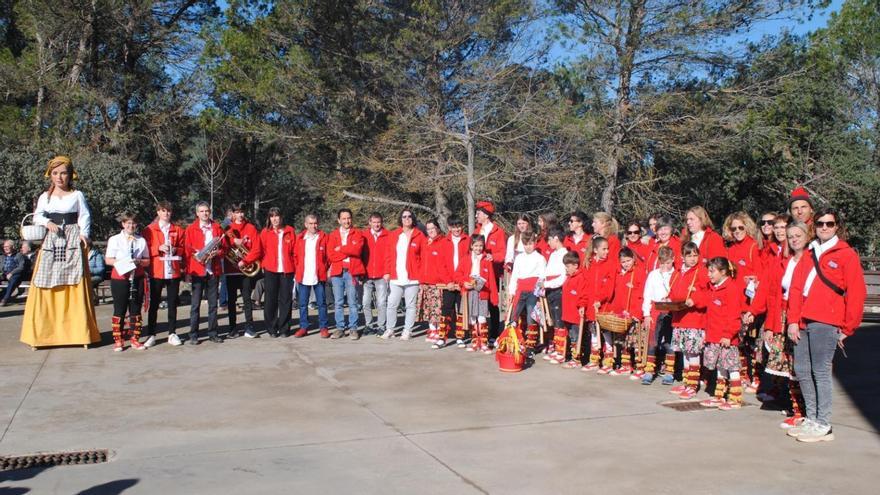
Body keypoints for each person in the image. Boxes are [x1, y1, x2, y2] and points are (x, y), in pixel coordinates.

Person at [785, 208, 866, 442]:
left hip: (827, 321)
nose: (824, 227)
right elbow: (796, 288)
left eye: (829, 224)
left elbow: (856, 292)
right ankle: (811, 418)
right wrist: (792, 320)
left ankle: (824, 423)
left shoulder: (846, 254)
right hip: (802, 320)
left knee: (820, 371)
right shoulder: (809, 253)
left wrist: (848, 328)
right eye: (820, 223)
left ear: (836, 226)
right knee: (802, 370)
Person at [20, 156, 100, 349]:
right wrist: (47, 222)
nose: (59, 177)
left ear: (70, 174)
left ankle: (77, 333)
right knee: (44, 281)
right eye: (55, 173)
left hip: (72, 239)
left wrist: (84, 234)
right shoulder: (45, 197)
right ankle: (44, 335)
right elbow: (37, 215)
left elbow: (85, 216)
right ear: (50, 175)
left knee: (74, 282)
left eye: (63, 173)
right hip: (52, 241)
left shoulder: (77, 195)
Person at [745, 218, 809, 428]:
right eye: (779, 228)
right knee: (784, 364)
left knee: (797, 366)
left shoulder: (806, 258)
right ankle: (795, 408)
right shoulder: (778, 259)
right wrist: (757, 314)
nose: (783, 233)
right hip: (780, 317)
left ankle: (803, 410)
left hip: (799, 317)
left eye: (786, 229)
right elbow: (767, 292)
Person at [690, 258, 746, 410]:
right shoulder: (713, 287)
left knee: (731, 367)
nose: (709, 274)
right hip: (714, 335)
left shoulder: (731, 289)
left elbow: (734, 315)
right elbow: (704, 300)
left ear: (723, 272)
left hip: (726, 337)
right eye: (708, 271)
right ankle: (719, 396)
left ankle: (735, 398)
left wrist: (728, 334)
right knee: (720, 367)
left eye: (712, 271)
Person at [722, 211, 763, 392]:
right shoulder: (729, 249)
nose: (737, 231)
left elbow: (760, 276)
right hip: (734, 304)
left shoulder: (753, 246)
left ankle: (757, 378)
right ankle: (744, 375)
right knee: (739, 343)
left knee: (752, 343)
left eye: (741, 227)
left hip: (749, 304)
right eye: (734, 228)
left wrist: (753, 281)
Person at [242, 207, 297, 338]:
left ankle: (284, 329)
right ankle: (271, 328)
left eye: (277, 216)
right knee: (270, 300)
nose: (275, 219)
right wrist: (246, 260)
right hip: (270, 269)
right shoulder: (265, 232)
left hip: (287, 270)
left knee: (286, 300)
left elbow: (295, 252)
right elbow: (258, 250)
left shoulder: (290, 231)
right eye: (272, 216)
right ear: (269, 218)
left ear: (281, 217)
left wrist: (296, 267)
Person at [666, 242, 709, 397]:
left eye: (695, 255)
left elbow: (708, 294)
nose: (692, 258)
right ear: (682, 257)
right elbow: (673, 291)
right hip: (679, 319)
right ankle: (686, 382)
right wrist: (668, 299)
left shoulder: (702, 272)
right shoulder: (678, 272)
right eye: (689, 255)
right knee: (684, 351)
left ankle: (693, 384)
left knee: (693, 353)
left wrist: (695, 300)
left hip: (694, 320)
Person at [105, 212, 150, 351]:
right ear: (123, 224)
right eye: (128, 223)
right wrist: (122, 262)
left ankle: (135, 339)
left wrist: (139, 262)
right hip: (120, 278)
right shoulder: (114, 239)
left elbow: (147, 261)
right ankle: (118, 340)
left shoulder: (141, 240)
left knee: (135, 309)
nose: (131, 226)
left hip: (137, 277)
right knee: (119, 309)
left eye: (133, 223)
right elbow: (108, 260)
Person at [142, 201, 186, 346]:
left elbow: (183, 248)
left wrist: (175, 250)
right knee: (154, 304)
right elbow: (144, 249)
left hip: (173, 271)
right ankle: (151, 334)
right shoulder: (149, 230)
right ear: (158, 213)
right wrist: (158, 248)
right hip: (157, 271)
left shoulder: (178, 229)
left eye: (168, 211)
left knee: (173, 303)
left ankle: (172, 333)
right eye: (163, 211)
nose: (166, 213)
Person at [184, 201, 226, 345]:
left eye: (207, 211)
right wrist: (188, 271)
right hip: (197, 270)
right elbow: (187, 251)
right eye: (201, 211)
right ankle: (193, 334)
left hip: (213, 271)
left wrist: (217, 252)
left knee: (213, 305)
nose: (204, 213)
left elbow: (224, 248)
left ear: (210, 212)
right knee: (195, 305)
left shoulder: (217, 227)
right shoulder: (190, 229)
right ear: (197, 213)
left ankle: (213, 333)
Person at [382, 208, 424, 340]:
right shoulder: (394, 235)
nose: (407, 219)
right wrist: (387, 272)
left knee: (410, 306)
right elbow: (388, 255)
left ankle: (407, 330)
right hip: (396, 276)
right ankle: (390, 329)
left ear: (413, 219)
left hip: (412, 277)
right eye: (404, 216)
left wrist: (421, 275)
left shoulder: (419, 235)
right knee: (391, 304)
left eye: (409, 216)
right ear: (401, 219)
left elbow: (424, 257)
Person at [604, 247, 646, 376]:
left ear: (633, 259)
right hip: (621, 314)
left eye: (628, 260)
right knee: (623, 341)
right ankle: (626, 365)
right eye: (623, 262)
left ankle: (640, 367)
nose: (626, 264)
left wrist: (636, 313)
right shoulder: (619, 274)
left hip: (634, 314)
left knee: (637, 342)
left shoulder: (639, 272)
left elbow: (641, 294)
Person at [639, 246, 677, 384]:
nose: (665, 266)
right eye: (662, 263)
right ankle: (649, 371)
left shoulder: (676, 274)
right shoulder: (653, 274)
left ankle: (669, 372)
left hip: (670, 310)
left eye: (668, 263)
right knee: (652, 342)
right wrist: (646, 314)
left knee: (669, 342)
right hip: (655, 310)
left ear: (673, 260)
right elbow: (647, 295)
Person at [327, 208, 366, 339]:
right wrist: (348, 252)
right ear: (339, 220)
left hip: (351, 272)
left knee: (352, 302)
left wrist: (341, 249)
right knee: (338, 302)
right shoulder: (333, 235)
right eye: (343, 218)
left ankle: (353, 328)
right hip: (337, 272)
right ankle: (340, 328)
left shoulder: (358, 233)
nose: (346, 221)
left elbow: (357, 251)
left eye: (348, 218)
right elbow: (331, 255)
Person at [454, 234, 497, 353]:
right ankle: (474, 341)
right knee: (472, 317)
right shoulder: (465, 259)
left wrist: (493, 296)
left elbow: (491, 279)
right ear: (471, 246)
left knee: (482, 316)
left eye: (481, 246)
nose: (478, 248)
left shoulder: (487, 260)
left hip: (482, 293)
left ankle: (484, 342)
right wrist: (464, 282)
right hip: (469, 292)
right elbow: (457, 275)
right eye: (476, 245)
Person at [223, 203, 259, 339]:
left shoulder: (251, 228)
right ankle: (232, 328)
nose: (240, 215)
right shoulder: (227, 229)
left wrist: (246, 260)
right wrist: (234, 242)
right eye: (237, 212)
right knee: (231, 301)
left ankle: (249, 327)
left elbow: (257, 249)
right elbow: (223, 247)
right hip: (231, 270)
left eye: (242, 212)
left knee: (247, 300)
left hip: (246, 270)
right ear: (232, 214)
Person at [506, 231, 546, 355]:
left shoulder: (540, 258)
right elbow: (514, 276)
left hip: (533, 290)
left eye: (530, 243)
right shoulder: (519, 258)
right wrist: (511, 291)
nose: (528, 246)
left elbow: (542, 277)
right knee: (514, 314)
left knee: (531, 316)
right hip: (521, 288)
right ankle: (513, 339)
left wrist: (540, 292)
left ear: (534, 243)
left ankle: (530, 346)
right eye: (526, 244)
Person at [417, 219, 454, 348]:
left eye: (433, 228)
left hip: (437, 282)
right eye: (428, 229)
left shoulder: (443, 242)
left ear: (438, 228)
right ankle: (432, 329)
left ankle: (439, 330)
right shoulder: (425, 242)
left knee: (437, 308)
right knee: (428, 308)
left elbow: (444, 262)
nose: (431, 231)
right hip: (425, 280)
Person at [473, 201, 506, 344]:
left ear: (486, 215)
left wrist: (494, 257)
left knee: (493, 302)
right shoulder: (476, 231)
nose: (476, 216)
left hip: (492, 272)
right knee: (477, 300)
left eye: (478, 213)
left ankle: (494, 333)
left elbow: (503, 253)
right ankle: (478, 333)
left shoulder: (498, 231)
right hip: (477, 272)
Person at [584, 236, 617, 372]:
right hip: (592, 305)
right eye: (603, 249)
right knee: (593, 331)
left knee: (606, 332)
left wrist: (601, 299)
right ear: (596, 250)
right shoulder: (589, 264)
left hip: (604, 305)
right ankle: (594, 359)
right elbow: (585, 285)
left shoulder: (610, 264)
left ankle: (608, 361)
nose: (607, 251)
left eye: (607, 249)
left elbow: (609, 286)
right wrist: (583, 303)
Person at [295, 213, 330, 337]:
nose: (313, 226)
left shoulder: (324, 237)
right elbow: (295, 257)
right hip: (303, 276)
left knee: (321, 303)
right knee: (303, 304)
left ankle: (323, 328)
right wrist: (298, 268)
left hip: (318, 275)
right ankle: (303, 327)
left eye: (315, 223)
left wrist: (323, 269)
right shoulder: (299, 238)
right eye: (310, 223)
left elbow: (328, 257)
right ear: (306, 224)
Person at [542, 228, 569, 363]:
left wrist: (548, 284)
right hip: (550, 290)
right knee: (553, 320)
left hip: (558, 290)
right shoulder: (553, 254)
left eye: (550, 240)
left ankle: (561, 351)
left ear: (556, 238)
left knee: (559, 321)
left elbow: (563, 276)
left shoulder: (565, 254)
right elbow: (548, 272)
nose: (548, 243)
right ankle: (557, 348)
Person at [560, 252, 590, 368]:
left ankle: (577, 359)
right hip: (567, 313)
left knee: (576, 336)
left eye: (568, 266)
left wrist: (582, 305)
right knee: (571, 336)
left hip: (575, 315)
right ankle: (572, 356)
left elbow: (583, 294)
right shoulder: (568, 278)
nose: (566, 269)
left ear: (575, 265)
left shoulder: (580, 278)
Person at [362, 213, 389, 336]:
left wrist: (388, 272)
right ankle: (368, 325)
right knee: (366, 302)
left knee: (381, 302)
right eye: (374, 222)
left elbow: (390, 256)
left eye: (378, 222)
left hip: (381, 275)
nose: (376, 224)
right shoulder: (364, 235)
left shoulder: (387, 235)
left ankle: (381, 326)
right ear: (369, 222)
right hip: (366, 275)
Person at [446, 216, 470, 345]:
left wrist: (462, 280)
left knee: (461, 309)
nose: (457, 229)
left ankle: (460, 336)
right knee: (447, 308)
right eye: (454, 227)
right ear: (449, 227)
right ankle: (443, 336)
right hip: (449, 282)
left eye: (459, 226)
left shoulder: (467, 240)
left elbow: (470, 262)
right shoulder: (444, 241)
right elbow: (441, 264)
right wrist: (448, 281)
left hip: (462, 282)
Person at [2, 240, 26, 306]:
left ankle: (5, 299)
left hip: (15, 274)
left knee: (13, 279)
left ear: (12, 247)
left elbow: (21, 267)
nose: (5, 248)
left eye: (7, 246)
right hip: (4, 274)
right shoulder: (3, 256)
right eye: (4, 247)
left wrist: (11, 273)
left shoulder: (18, 255)